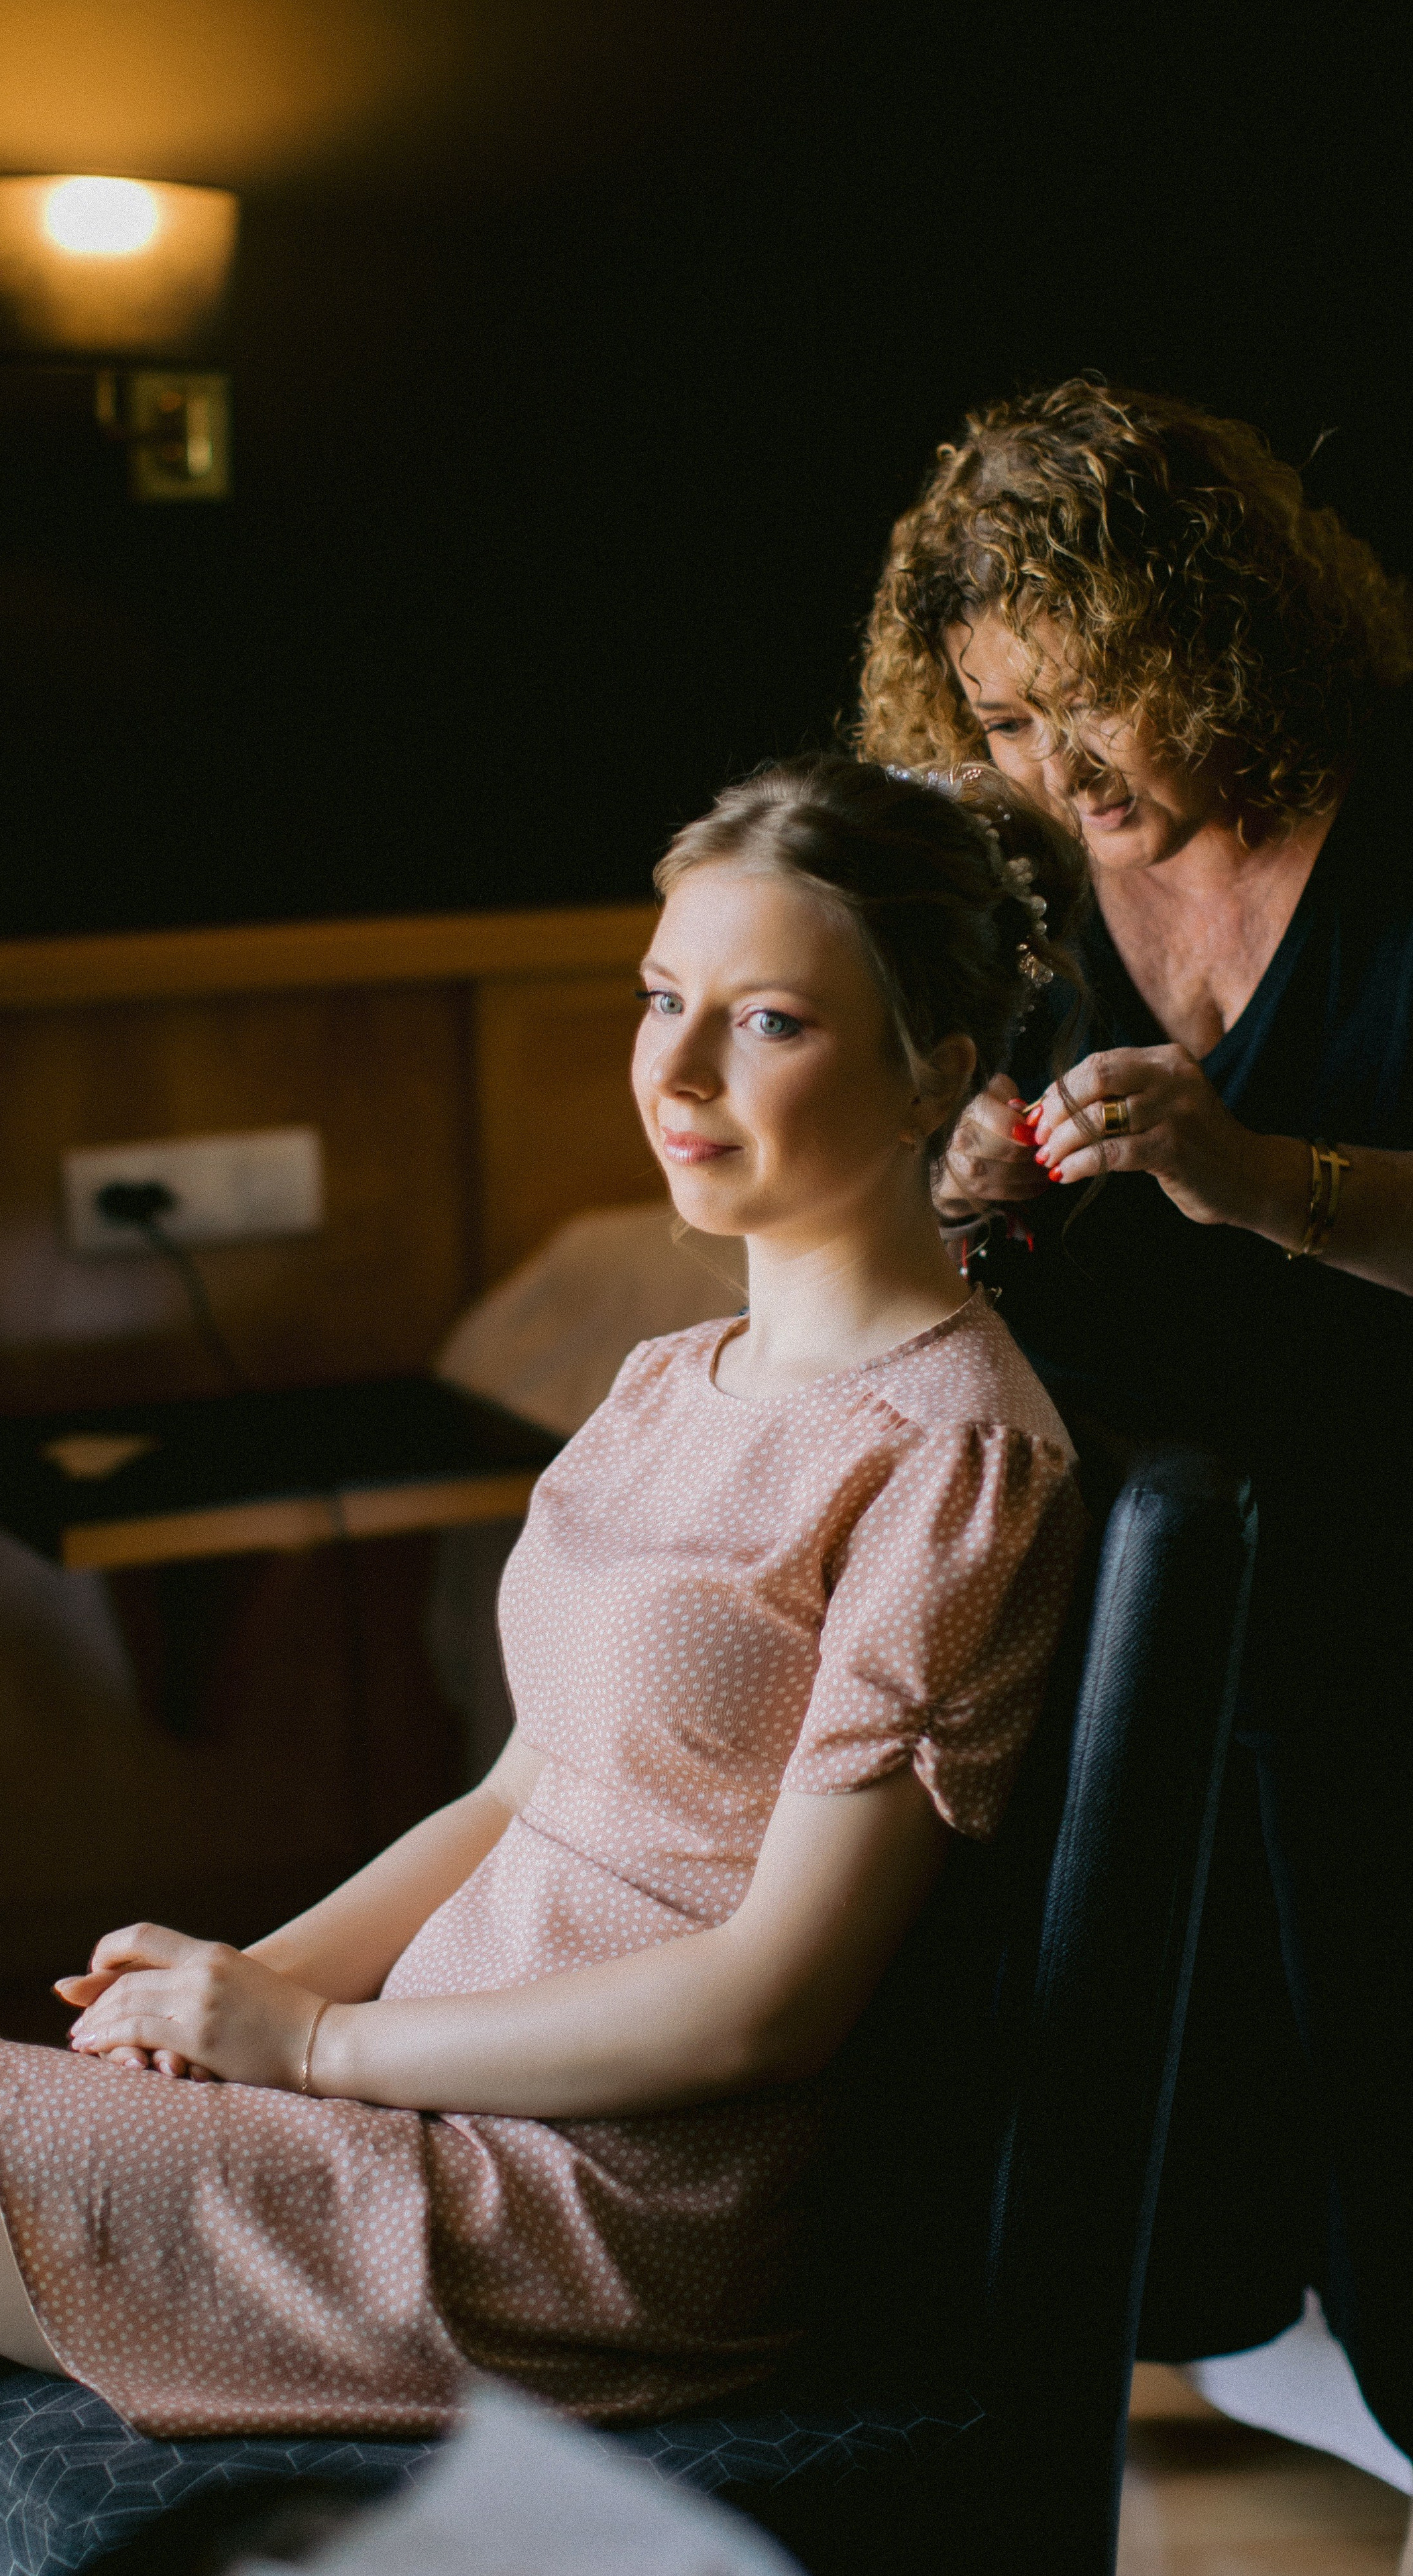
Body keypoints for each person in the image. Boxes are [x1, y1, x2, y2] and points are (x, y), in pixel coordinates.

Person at [0, 760, 1088, 2571]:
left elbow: (775, 2002)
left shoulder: (957, 1452)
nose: (673, 1075)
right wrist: (247, 1991)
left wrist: (318, 2039)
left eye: (763, 1023)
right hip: (405, 2108)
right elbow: (521, 1795)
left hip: (573, 2222)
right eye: (662, 1002)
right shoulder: (672, 1376)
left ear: (931, 1067)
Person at [854, 378, 1413, 2467]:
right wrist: (961, 1202)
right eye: (1003, 718)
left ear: (1234, 643)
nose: (1058, 769)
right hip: (1142, 1575)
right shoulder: (1019, 882)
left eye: (1102, 700)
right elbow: (912, 1203)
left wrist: (1261, 1176)